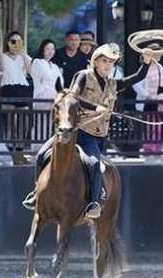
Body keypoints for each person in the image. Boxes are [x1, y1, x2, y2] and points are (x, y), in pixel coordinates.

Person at [22, 43, 155, 218]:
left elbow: (136, 78)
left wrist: (146, 62)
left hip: (95, 136)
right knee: (41, 156)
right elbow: (73, 96)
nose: (108, 65)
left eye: (111, 62)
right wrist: (96, 106)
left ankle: (93, 203)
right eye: (104, 61)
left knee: (93, 163)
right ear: (96, 61)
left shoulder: (112, 84)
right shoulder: (83, 76)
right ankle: (36, 193)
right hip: (76, 130)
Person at [0, 31, 33, 165]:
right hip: (7, 88)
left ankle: (20, 149)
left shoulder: (24, 57)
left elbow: (30, 72)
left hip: (22, 88)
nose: (15, 44)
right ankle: (11, 150)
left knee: (23, 122)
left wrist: (23, 54)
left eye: (18, 41)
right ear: (8, 42)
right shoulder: (2, 56)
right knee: (10, 121)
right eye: (13, 41)